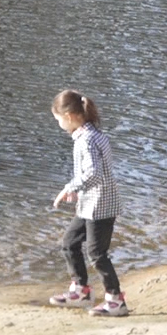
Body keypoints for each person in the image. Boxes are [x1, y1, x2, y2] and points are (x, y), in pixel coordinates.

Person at [47, 90, 128, 317]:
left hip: (101, 206)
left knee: (97, 254)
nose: (59, 124)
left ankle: (116, 300)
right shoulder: (91, 134)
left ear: (70, 116)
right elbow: (94, 174)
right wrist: (79, 191)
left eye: (58, 119)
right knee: (69, 243)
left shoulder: (87, 139)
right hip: (90, 203)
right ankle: (81, 290)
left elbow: (94, 174)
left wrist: (70, 187)